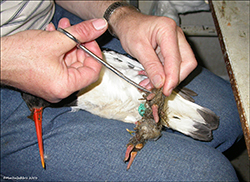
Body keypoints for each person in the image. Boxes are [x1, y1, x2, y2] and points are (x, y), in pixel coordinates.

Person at [1, 1, 242, 181]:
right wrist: (7, 63)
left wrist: (120, 15)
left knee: (234, 114)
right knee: (210, 176)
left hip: (52, 23)